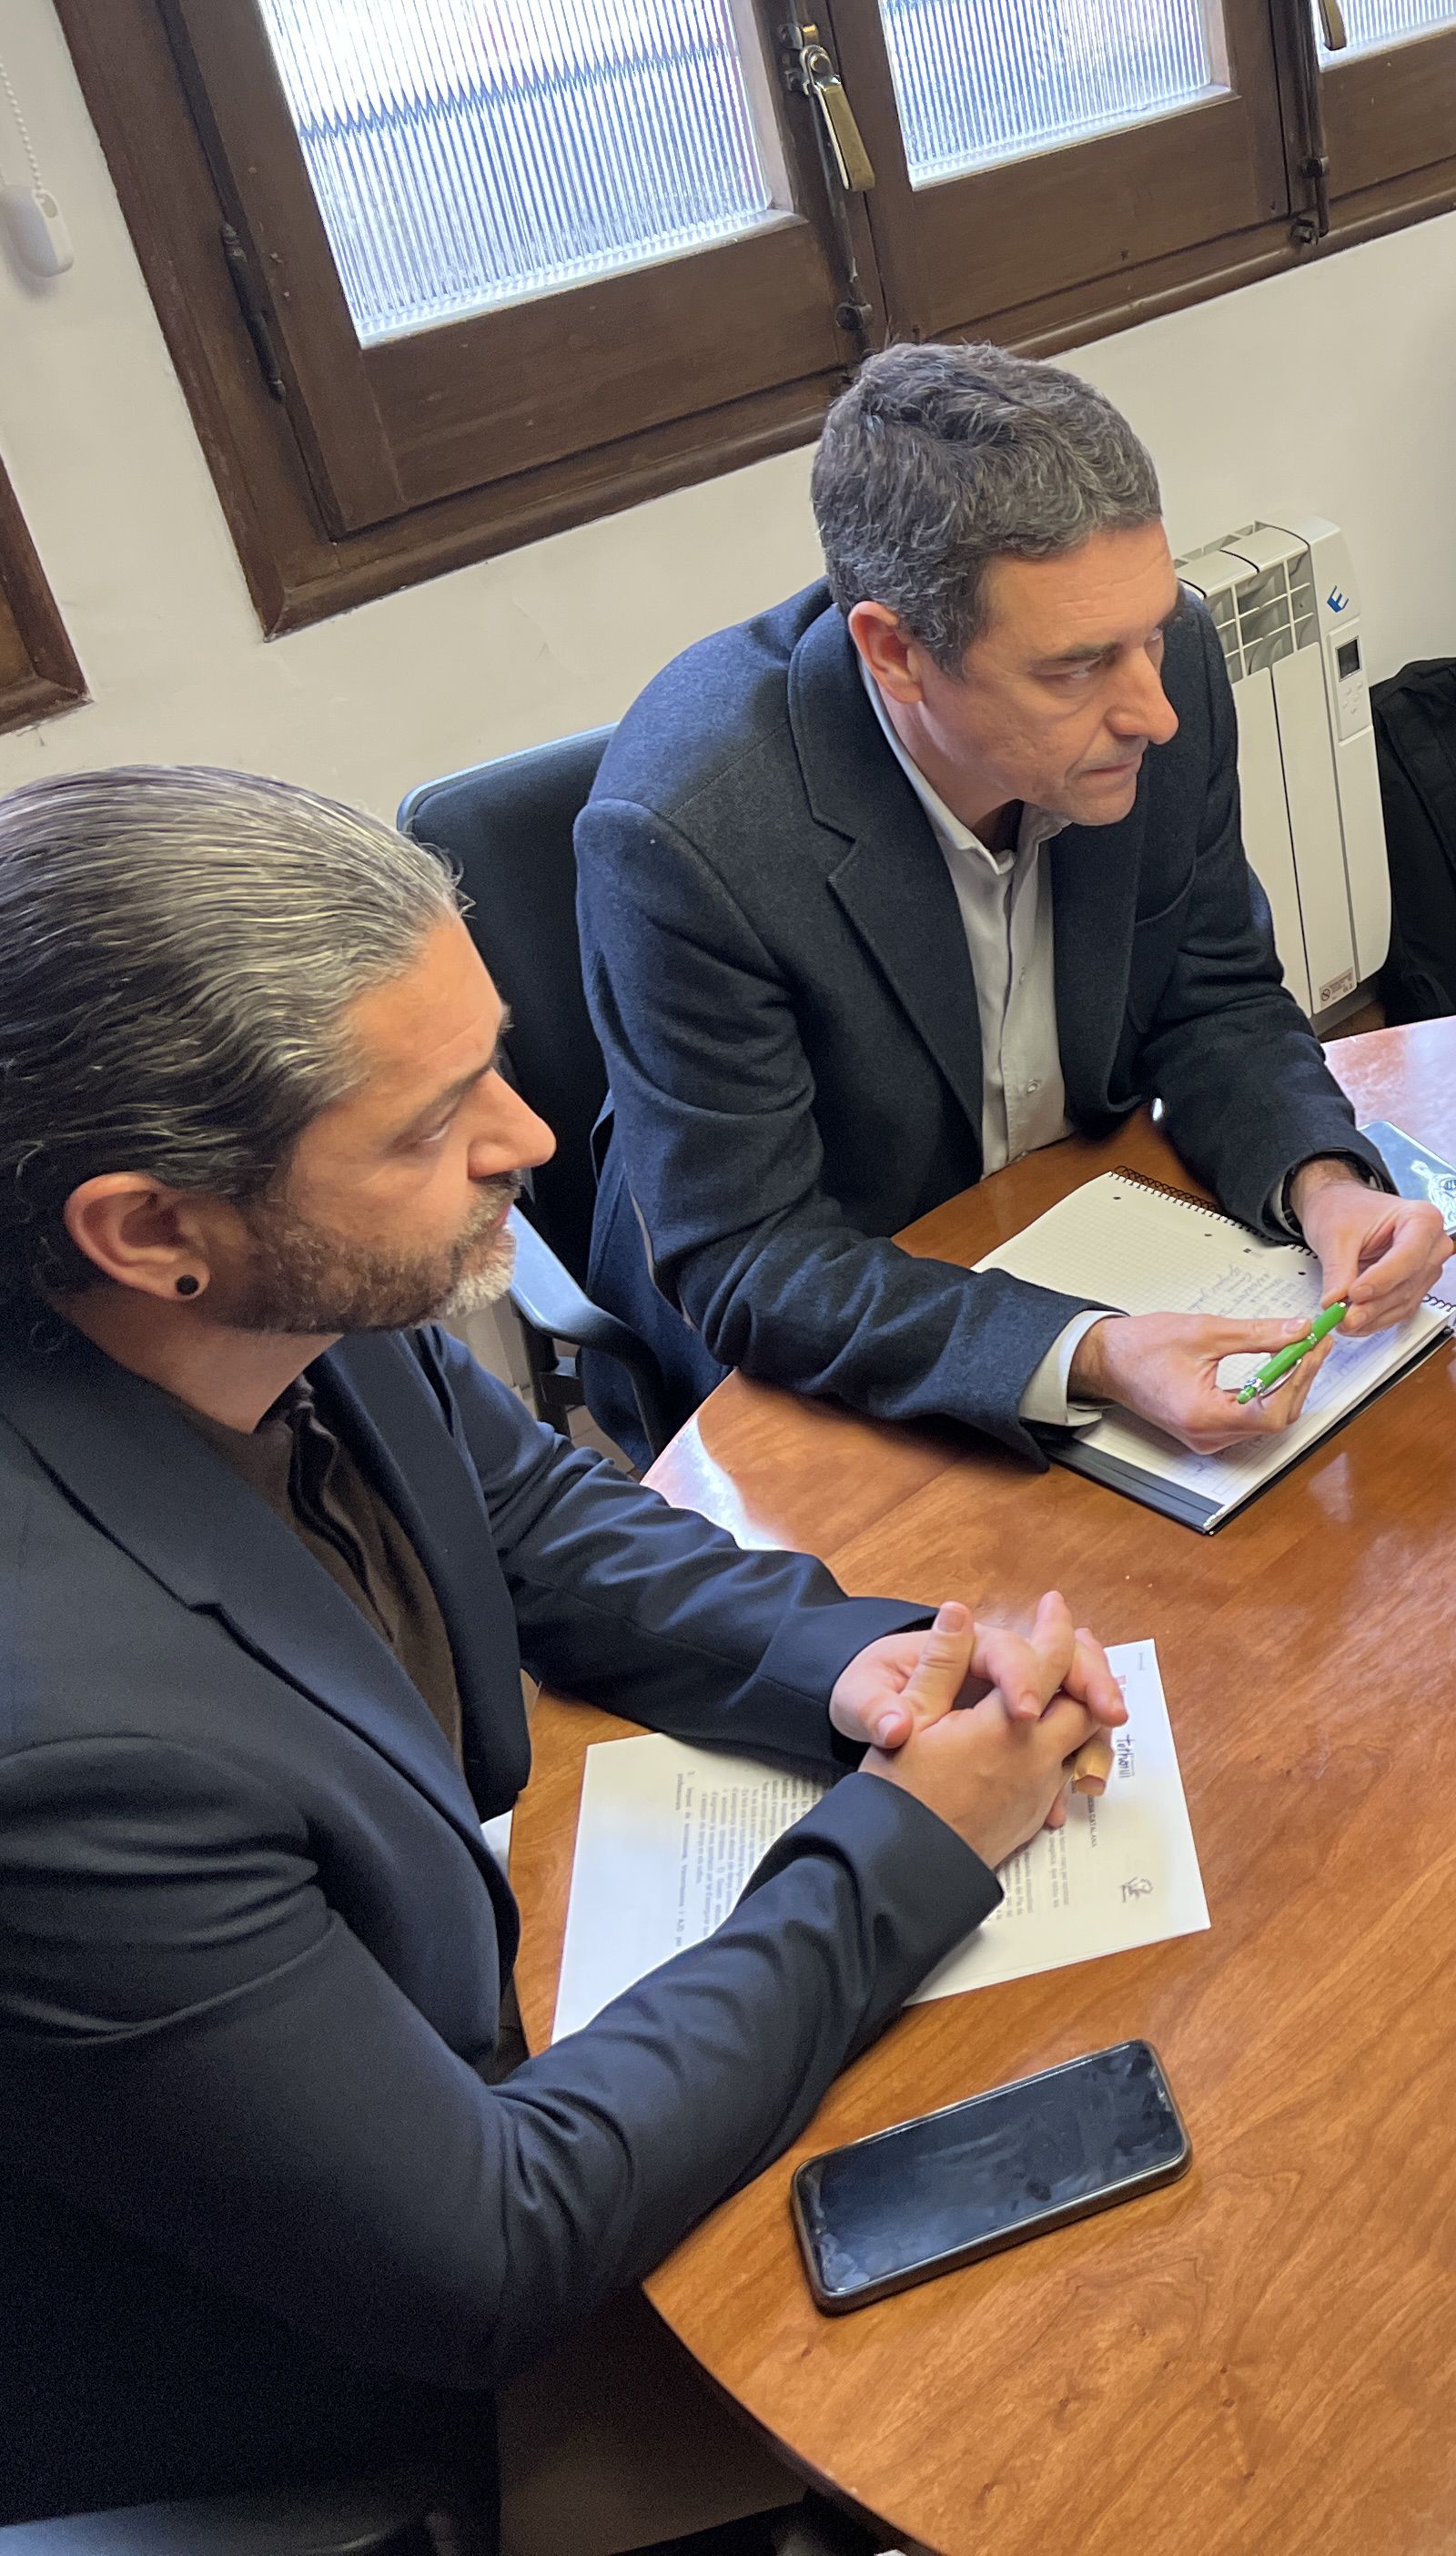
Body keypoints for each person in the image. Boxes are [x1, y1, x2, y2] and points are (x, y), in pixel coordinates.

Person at [0, 768, 1127, 2523]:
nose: (528, 1139)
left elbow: (525, 1513)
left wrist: (846, 1662)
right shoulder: (65, 1751)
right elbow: (490, 2245)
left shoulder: (287, 1295)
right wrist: (915, 1834)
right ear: (152, 1230)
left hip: (474, 2021)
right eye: (428, 1122)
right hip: (316, 2364)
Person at [578, 340, 1444, 1460]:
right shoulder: (687, 836)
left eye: (1150, 632)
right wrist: (1087, 1354)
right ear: (894, 653)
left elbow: (1217, 999)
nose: (1155, 710)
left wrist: (1325, 1188)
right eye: (1076, 666)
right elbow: (754, 1260)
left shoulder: (1158, 674)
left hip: (1084, 1216)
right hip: (845, 1319)